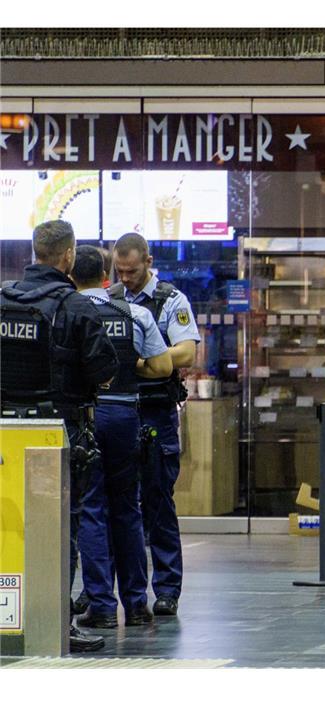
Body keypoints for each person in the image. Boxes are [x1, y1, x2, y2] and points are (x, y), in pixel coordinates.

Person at [1, 220, 119, 652]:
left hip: (5, 431)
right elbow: (104, 371)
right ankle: (57, 621)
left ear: (35, 252)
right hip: (58, 432)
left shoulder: (3, 300)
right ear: (68, 255)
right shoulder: (73, 306)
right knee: (60, 528)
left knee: (7, 524)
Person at [70, 246, 171, 629]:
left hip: (88, 415)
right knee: (129, 509)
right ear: (106, 275)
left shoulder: (69, 311)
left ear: (71, 274)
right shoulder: (136, 313)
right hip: (127, 414)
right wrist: (130, 367)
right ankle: (137, 604)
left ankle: (102, 606)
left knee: (93, 510)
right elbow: (162, 366)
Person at [111, 233, 201, 616]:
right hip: (118, 409)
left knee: (158, 502)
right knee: (117, 504)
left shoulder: (170, 300)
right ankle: (114, 589)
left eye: (132, 271)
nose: (126, 278)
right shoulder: (109, 298)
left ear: (148, 261)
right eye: (120, 271)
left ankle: (166, 589)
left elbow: (187, 352)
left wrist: (148, 356)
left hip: (155, 411)